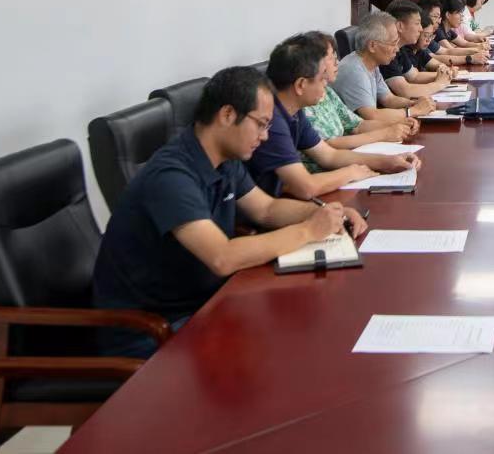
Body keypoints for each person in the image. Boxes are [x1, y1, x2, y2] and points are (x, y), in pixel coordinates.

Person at [91, 65, 363, 357]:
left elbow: (266, 209)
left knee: (304, 328)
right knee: (289, 349)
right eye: (261, 124)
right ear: (228, 115)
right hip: (155, 330)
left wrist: (326, 212)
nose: (265, 136)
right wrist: (308, 230)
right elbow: (222, 257)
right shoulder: (171, 176)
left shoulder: (224, 158)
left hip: (205, 303)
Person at [247, 33, 421, 199]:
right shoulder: (272, 122)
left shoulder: (295, 111)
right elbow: (305, 186)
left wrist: (387, 161)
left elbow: (329, 155)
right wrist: (350, 172)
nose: (326, 84)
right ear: (301, 85)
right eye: (322, 78)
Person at [297, 31, 415, 154]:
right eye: (331, 57)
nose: (337, 62)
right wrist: (384, 134)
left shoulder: (327, 92)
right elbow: (329, 146)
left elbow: (356, 125)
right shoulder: (304, 105)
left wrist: (397, 124)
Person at [335, 11, 436, 119]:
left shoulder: (372, 64)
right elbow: (371, 115)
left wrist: (413, 104)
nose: (397, 49)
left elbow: (388, 99)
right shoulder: (354, 71)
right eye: (393, 43)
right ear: (372, 46)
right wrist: (413, 111)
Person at [380, 0, 453, 100]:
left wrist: (444, 74)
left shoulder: (400, 49)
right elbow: (405, 91)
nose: (421, 29)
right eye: (417, 23)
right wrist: (439, 84)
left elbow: (414, 76)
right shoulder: (386, 51)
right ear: (400, 26)